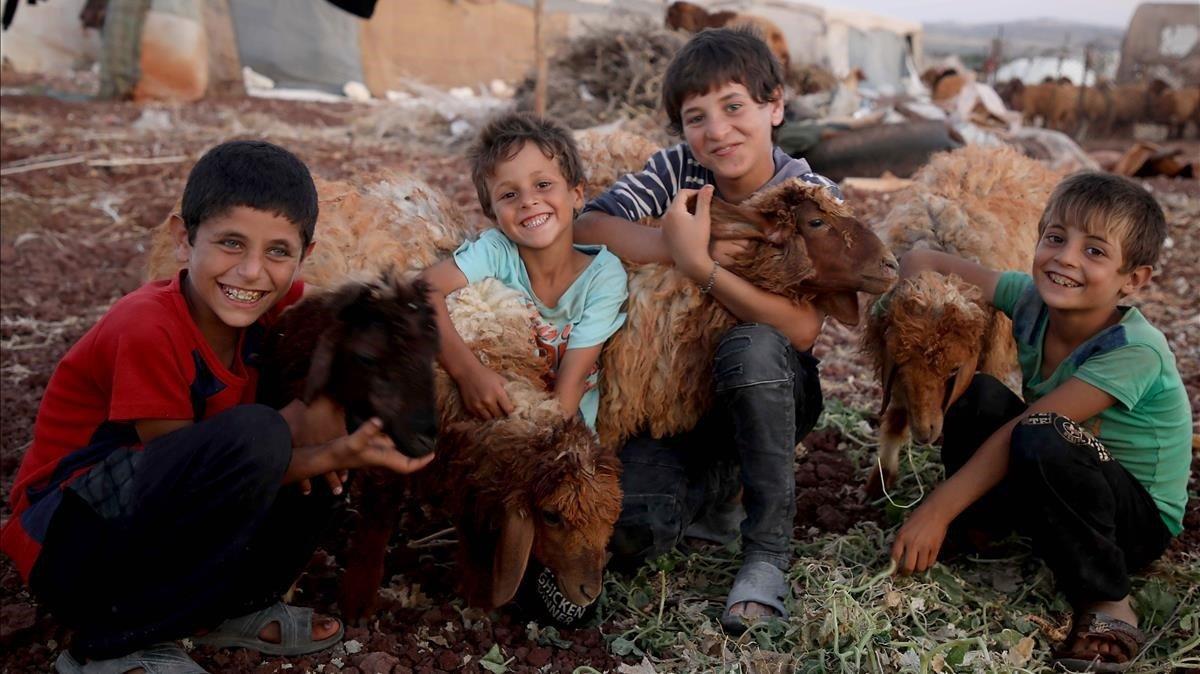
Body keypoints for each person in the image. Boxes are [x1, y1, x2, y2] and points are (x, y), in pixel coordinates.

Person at [0, 140, 436, 673]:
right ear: (184, 240)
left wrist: (327, 405)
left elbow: (380, 312)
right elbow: (177, 471)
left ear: (306, 255)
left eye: (278, 251)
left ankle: (229, 610)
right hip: (70, 545)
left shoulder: (279, 310)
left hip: (152, 527)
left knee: (319, 409)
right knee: (262, 435)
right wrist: (324, 453)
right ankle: (112, 646)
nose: (252, 271)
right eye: (231, 243)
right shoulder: (147, 326)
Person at [573, 26, 841, 633]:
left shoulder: (810, 195)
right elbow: (587, 226)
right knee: (631, 526)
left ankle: (766, 553)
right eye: (697, 117)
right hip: (677, 399)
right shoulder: (680, 169)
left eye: (734, 107)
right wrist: (670, 243)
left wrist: (704, 265)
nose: (717, 131)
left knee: (754, 346)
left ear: (775, 106)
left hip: (772, 390)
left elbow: (802, 328)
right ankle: (717, 490)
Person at [891, 172, 1190, 673]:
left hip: (1131, 520)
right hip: (1060, 478)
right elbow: (921, 262)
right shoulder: (1029, 299)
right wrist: (909, 296)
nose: (1066, 258)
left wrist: (935, 508)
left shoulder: (1135, 352)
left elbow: (1028, 428)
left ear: (1133, 280)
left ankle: (1107, 600)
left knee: (1039, 432)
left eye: (1095, 251)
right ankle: (981, 531)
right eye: (1055, 238)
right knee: (981, 394)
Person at [419, 112, 627, 432]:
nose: (529, 201)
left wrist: (543, 437)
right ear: (492, 213)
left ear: (576, 194)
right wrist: (468, 373)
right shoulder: (497, 251)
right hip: (492, 428)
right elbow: (424, 290)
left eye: (543, 184)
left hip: (567, 438)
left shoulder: (603, 277)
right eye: (509, 194)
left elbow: (568, 392)